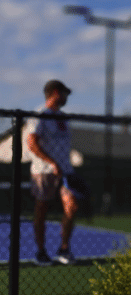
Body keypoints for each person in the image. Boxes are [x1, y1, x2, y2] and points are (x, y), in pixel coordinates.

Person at [27, 80, 79, 265]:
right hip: (43, 172)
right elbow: (32, 143)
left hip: (64, 172)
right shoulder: (40, 115)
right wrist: (51, 162)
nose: (66, 98)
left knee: (72, 206)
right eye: (65, 93)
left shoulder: (63, 117)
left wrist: (63, 165)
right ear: (56, 93)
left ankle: (64, 248)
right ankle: (41, 251)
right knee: (41, 210)